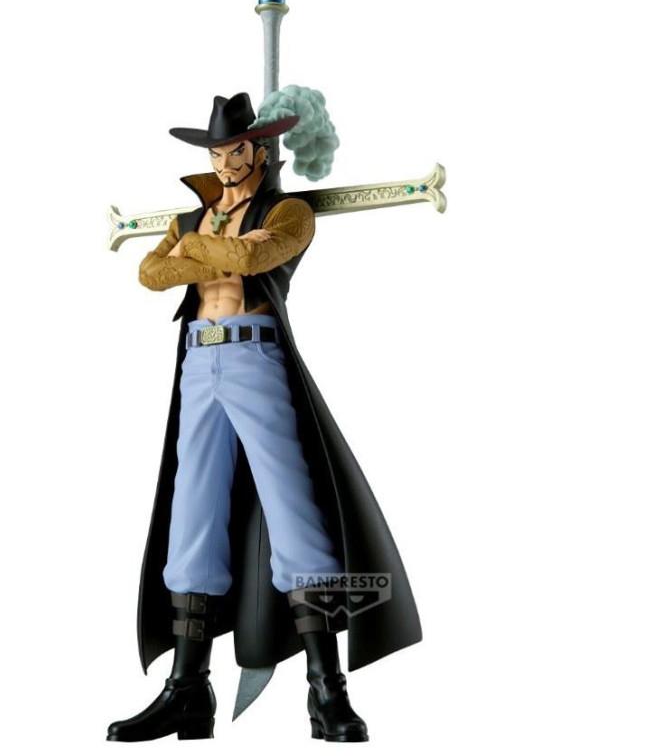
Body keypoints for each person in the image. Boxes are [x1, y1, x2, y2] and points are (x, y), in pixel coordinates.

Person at [107, 93, 421, 743]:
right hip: (199, 360)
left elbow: (251, 261)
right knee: (192, 514)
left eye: (236, 151)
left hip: (255, 355)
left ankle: (326, 687)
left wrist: (198, 250)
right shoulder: (194, 215)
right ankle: (187, 688)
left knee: (291, 509)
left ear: (261, 151)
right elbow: (150, 273)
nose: (225, 164)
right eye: (217, 153)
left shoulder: (288, 213)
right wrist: (212, 247)